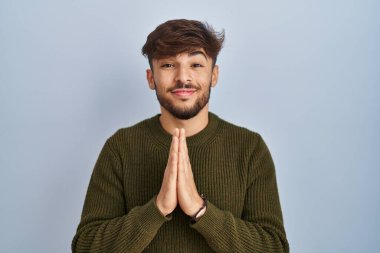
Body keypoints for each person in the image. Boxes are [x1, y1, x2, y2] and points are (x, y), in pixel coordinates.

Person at [72, 19, 289, 253]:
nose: (183, 78)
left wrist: (200, 209)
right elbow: (85, 246)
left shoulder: (250, 148)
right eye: (168, 65)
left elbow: (274, 247)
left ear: (214, 75)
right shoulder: (120, 147)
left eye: (196, 65)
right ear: (151, 78)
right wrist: (157, 208)